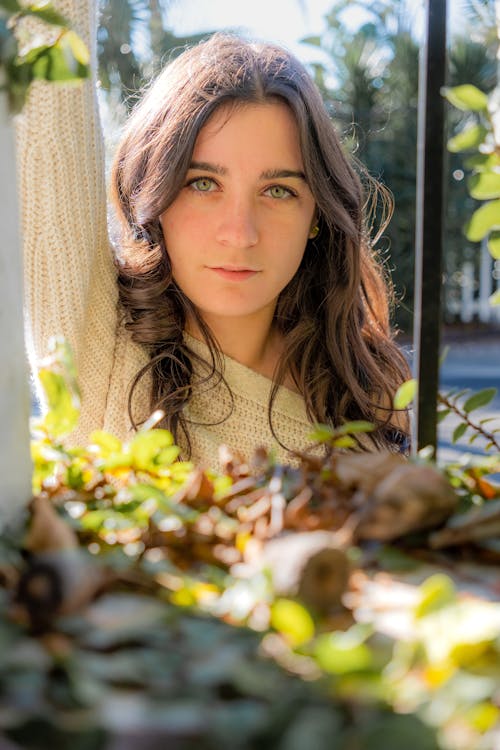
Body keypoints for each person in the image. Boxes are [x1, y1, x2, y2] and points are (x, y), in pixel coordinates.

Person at [18, 0, 410, 470]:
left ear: (317, 216)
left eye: (279, 190)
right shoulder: (100, 347)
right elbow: (43, 64)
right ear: (154, 194)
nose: (240, 233)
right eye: (203, 183)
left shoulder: (366, 387)